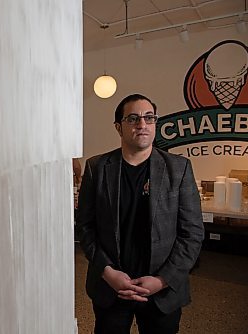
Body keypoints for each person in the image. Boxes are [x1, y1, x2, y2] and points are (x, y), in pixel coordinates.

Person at [76, 94, 204, 334]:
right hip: (111, 287)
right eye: (133, 118)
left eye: (149, 118)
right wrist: (107, 272)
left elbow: (192, 233)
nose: (142, 124)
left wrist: (162, 280)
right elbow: (85, 227)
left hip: (162, 291)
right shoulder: (97, 168)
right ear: (119, 127)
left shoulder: (179, 168)